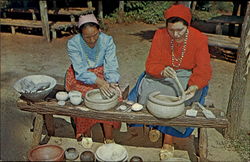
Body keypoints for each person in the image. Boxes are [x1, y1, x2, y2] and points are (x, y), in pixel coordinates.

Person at [128, 4, 212, 160]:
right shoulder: (160, 35)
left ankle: (168, 140)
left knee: (181, 100)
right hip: (163, 74)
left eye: (180, 30)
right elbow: (151, 64)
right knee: (148, 91)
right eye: (171, 30)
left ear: (188, 26)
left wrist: (194, 86)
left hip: (187, 76)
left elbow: (204, 69)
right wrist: (161, 70)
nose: (175, 34)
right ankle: (153, 125)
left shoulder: (199, 38)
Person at [65, 14, 121, 144]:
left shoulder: (107, 41)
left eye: (95, 35)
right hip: (80, 76)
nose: (91, 40)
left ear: (99, 30)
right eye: (87, 37)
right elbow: (79, 70)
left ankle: (108, 135)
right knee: (82, 99)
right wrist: (99, 82)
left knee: (111, 97)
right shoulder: (73, 43)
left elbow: (111, 64)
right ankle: (86, 132)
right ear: (80, 35)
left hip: (103, 72)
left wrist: (112, 82)